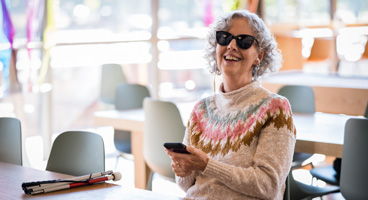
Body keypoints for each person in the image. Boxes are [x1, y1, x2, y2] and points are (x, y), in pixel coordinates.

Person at [165, 10, 296, 200]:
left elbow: (268, 186)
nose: (232, 45)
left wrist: (207, 165)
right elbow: (187, 186)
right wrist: (182, 169)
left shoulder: (275, 108)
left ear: (259, 56)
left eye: (244, 41)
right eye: (224, 38)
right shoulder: (201, 110)